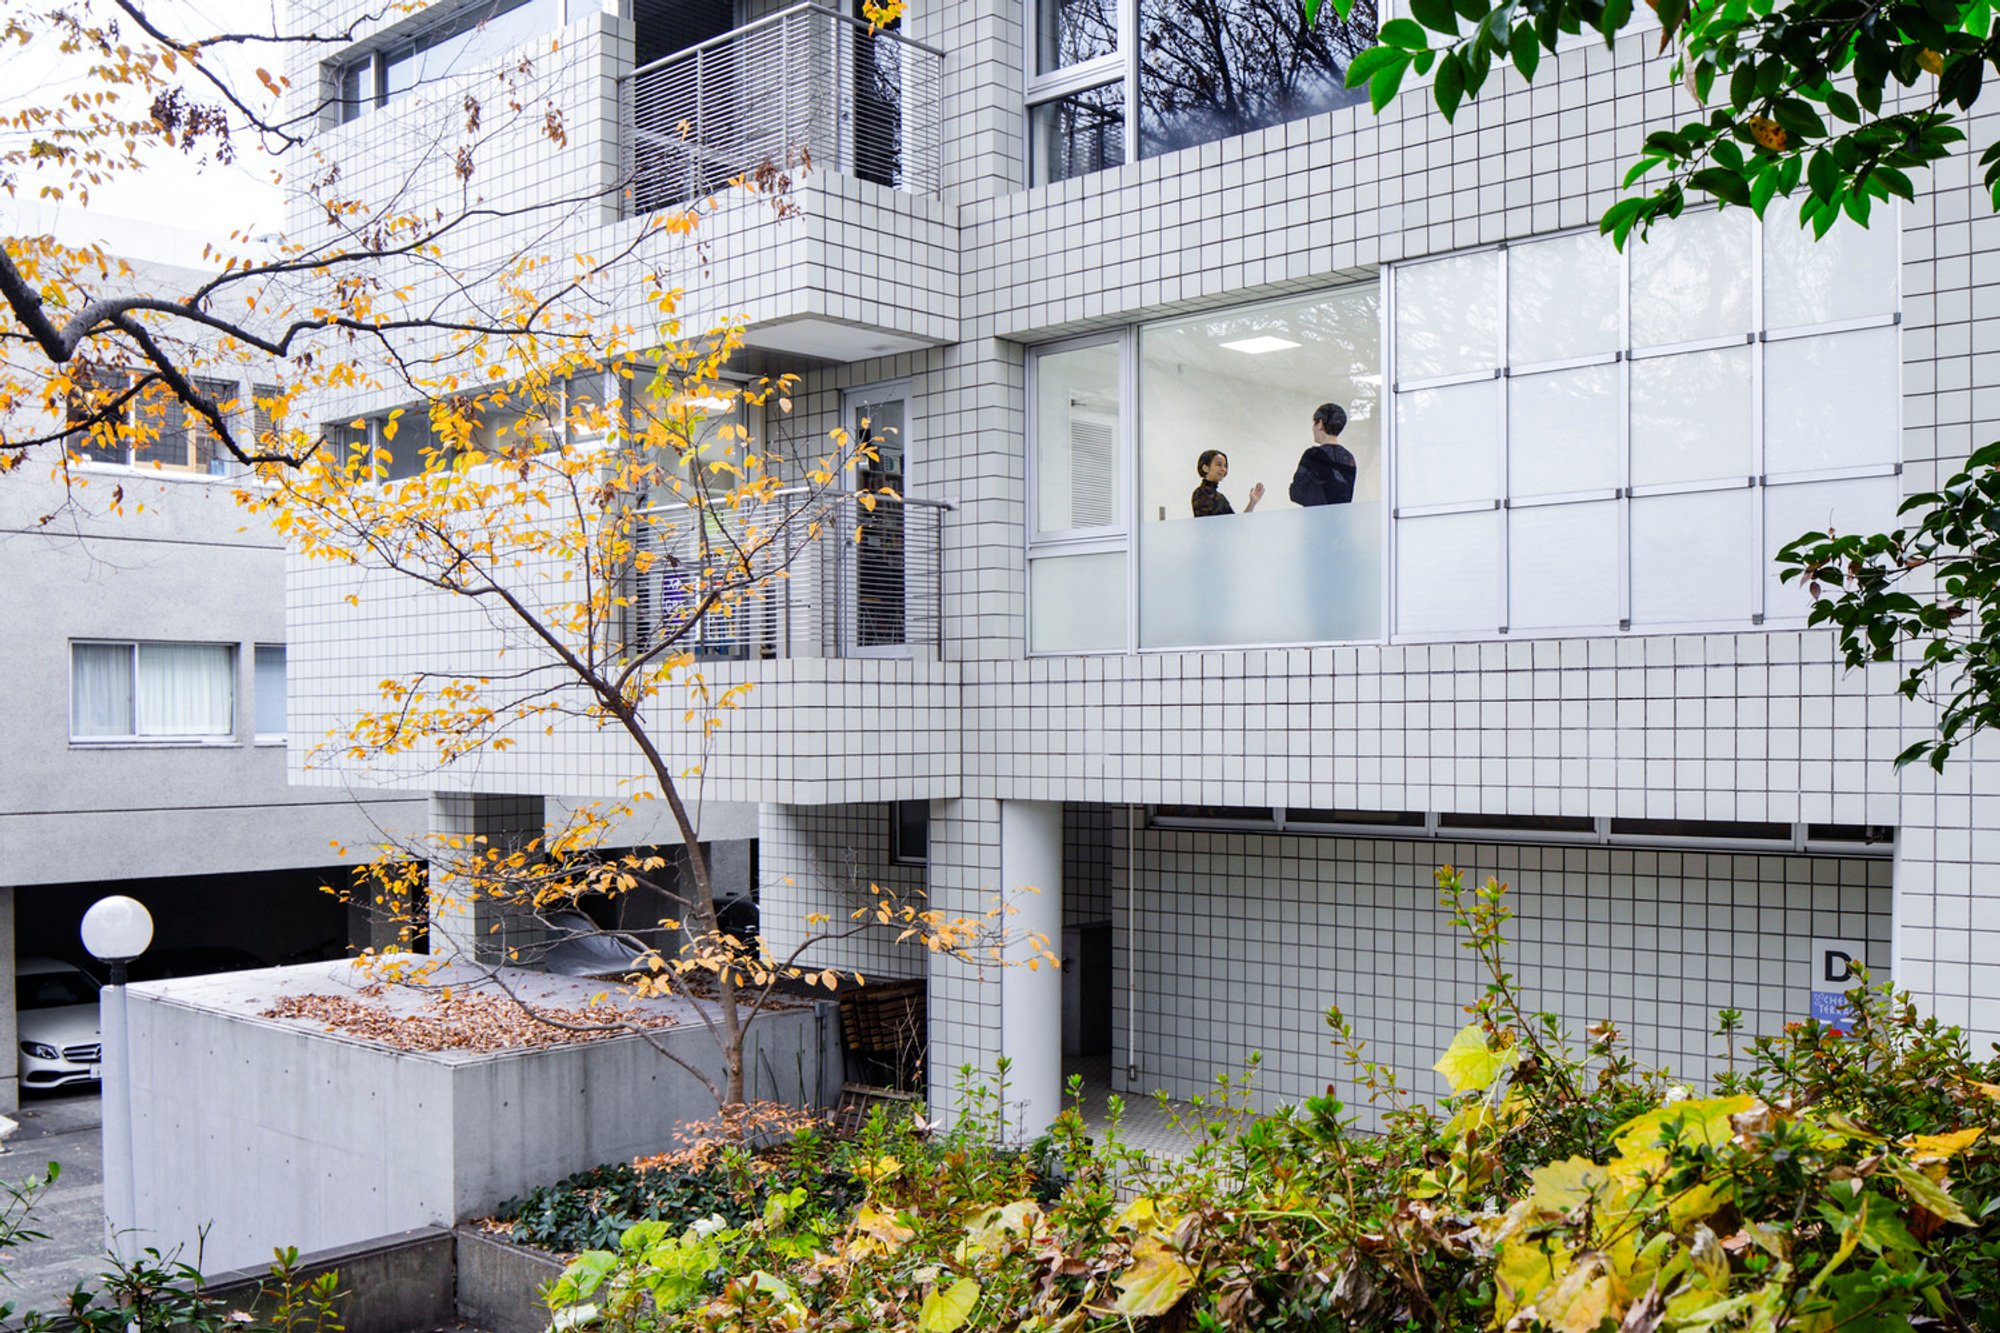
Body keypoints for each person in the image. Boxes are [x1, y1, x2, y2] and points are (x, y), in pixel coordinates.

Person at [1289, 402, 1358, 506]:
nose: (1313, 429)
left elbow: (1296, 493)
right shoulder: (1349, 458)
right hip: (1341, 520)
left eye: (1314, 423)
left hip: (1317, 518)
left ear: (1320, 423)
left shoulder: (1313, 455)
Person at [1190, 449, 1264, 517]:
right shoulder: (1200, 493)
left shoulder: (1219, 497)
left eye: (1225, 466)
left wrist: (1252, 502)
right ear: (1205, 468)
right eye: (1219, 464)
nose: (1223, 469)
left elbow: (1235, 523)